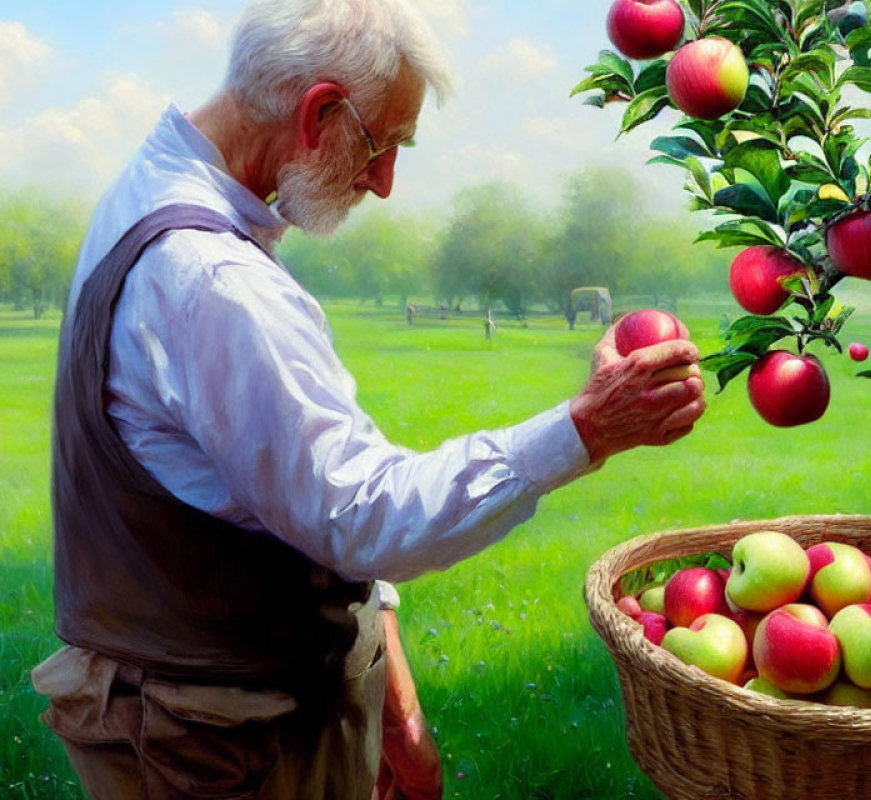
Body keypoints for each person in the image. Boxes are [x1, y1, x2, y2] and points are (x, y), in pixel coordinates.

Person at [31, 0, 707, 798]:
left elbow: (297, 497)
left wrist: (395, 706)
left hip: (238, 721)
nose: (385, 183)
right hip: (226, 745)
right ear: (321, 110)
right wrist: (586, 428)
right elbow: (357, 515)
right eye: (384, 143)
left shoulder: (155, 192)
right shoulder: (212, 282)